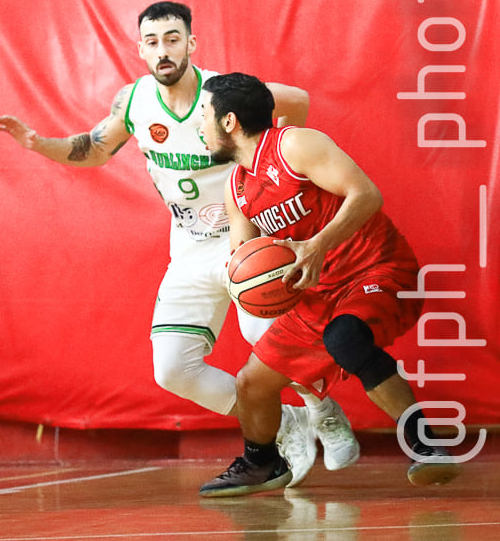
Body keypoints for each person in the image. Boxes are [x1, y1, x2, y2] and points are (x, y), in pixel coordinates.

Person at [0, 2, 358, 485]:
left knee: (263, 339)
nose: (163, 50)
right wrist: (40, 144)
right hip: (188, 246)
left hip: (249, 239)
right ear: (140, 49)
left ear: (191, 43)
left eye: (172, 38)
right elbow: (93, 149)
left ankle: (321, 409)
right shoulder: (135, 102)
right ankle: (280, 421)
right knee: (172, 371)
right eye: (152, 41)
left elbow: (299, 102)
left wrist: (267, 156)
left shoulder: (225, 92)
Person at [196, 72, 461, 497]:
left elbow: (366, 194)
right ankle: (262, 461)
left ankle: (425, 444)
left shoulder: (294, 145)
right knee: (252, 382)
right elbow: (243, 258)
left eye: (204, 115)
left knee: (345, 337)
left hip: (376, 268)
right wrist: (251, 284)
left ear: (228, 122)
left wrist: (316, 246)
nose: (199, 126)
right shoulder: (238, 187)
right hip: (317, 294)